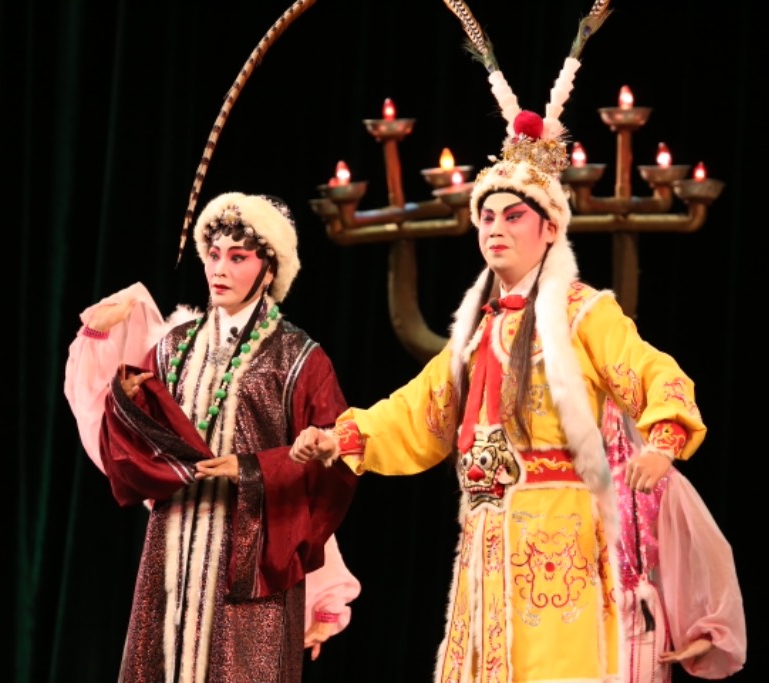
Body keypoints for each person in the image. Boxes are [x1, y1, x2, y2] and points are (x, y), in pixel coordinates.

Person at [290, 101, 707, 681]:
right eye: (486, 218)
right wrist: (340, 438)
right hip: (485, 532)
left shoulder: (584, 313)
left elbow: (654, 371)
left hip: (557, 534)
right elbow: (418, 412)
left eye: (514, 217)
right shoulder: (476, 330)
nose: (495, 229)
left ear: (550, 228)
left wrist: (662, 442)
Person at [64, 191, 360, 682]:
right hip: (173, 551)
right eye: (214, 255)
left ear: (269, 269)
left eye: (238, 258)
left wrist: (251, 469)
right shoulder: (174, 348)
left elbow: (335, 458)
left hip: (252, 567)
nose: (219, 269)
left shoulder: (298, 358)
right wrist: (127, 403)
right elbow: (130, 455)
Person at [602, 398, 746, 682]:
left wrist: (710, 629)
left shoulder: (650, 474)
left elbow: (708, 550)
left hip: (636, 622)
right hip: (571, 618)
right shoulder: (553, 479)